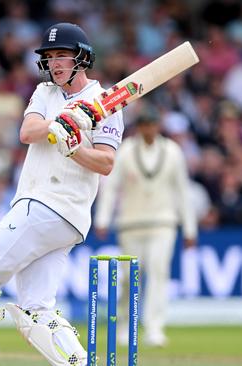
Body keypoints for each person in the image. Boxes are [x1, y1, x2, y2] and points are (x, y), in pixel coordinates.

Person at [0, 23, 124, 366]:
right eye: (50, 57)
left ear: (82, 57)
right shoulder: (45, 92)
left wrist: (73, 146)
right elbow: (27, 131)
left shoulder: (106, 104)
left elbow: (105, 163)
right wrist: (61, 123)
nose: (56, 63)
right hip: (58, 216)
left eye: (63, 55)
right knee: (37, 309)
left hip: (50, 204)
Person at [94, 111, 197, 347]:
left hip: (163, 222)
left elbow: (182, 190)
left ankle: (154, 327)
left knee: (158, 272)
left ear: (157, 126)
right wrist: (103, 219)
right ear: (139, 127)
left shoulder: (172, 151)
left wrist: (190, 229)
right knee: (130, 277)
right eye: (144, 125)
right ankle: (124, 325)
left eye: (151, 125)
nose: (148, 130)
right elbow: (111, 188)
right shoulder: (127, 150)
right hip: (131, 223)